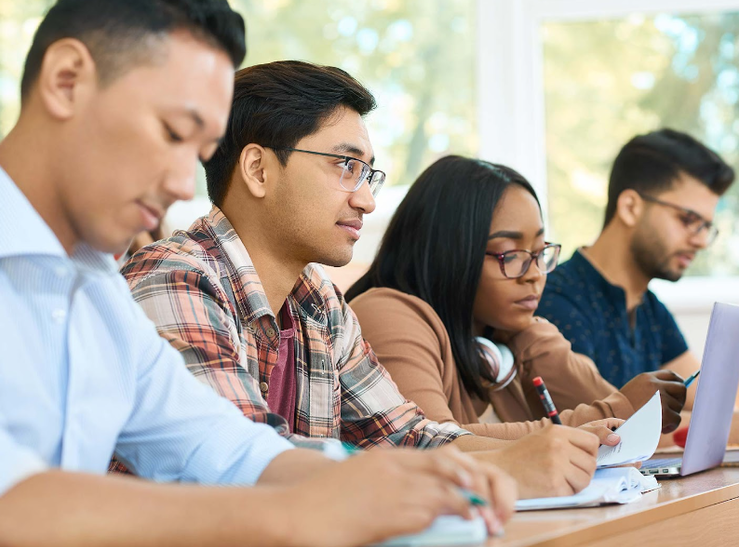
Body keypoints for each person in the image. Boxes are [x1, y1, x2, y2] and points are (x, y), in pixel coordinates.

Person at [0, 1, 517, 547]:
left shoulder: (96, 289)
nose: (183, 182)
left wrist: (398, 480)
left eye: (199, 151)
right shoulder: (164, 276)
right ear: (67, 80)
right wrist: (300, 514)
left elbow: (221, 446)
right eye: (174, 132)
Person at [120, 60, 615, 500]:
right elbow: (241, 466)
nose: (367, 200)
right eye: (346, 166)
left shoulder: (320, 305)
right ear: (258, 169)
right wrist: (501, 467)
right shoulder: (176, 279)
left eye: (368, 174)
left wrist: (547, 451)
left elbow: (405, 434)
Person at [346, 155, 687, 439]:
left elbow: (631, 430)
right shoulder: (386, 312)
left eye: (540, 252)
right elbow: (432, 442)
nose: (535, 273)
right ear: (448, 254)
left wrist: (535, 341)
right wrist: (618, 409)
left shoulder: (503, 334)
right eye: (510, 254)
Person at [537, 129, 735, 412]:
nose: (701, 241)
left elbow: (715, 400)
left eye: (706, 227)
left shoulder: (650, 309)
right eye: (688, 219)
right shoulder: (556, 300)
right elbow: (611, 428)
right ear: (630, 207)